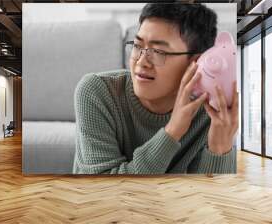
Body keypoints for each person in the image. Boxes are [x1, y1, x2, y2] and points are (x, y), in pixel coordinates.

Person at [73, 3, 238, 174]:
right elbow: (102, 191)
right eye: (137, 46)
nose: (141, 62)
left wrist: (220, 147)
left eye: (158, 51)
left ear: (195, 63)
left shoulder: (211, 114)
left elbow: (208, 198)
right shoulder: (97, 92)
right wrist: (172, 132)